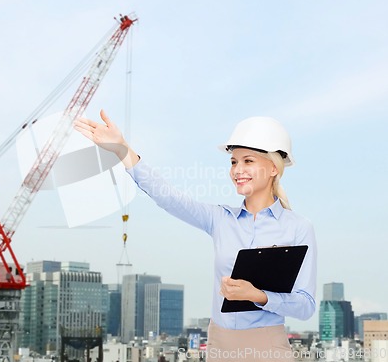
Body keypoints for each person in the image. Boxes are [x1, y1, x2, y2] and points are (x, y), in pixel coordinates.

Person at [74, 110, 317, 362]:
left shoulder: (298, 227)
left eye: (248, 161)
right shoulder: (220, 219)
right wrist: (122, 150)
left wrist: (258, 296)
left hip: (268, 346)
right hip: (219, 345)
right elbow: (168, 198)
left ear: (273, 168)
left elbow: (305, 305)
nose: (237, 170)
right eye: (233, 162)